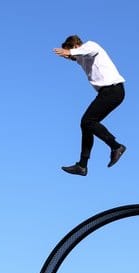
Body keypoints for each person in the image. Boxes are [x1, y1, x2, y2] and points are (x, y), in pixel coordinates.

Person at [53, 35, 126, 176]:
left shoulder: (91, 46)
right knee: (86, 124)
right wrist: (70, 56)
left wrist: (70, 52)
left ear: (75, 46)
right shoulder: (81, 59)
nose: (68, 57)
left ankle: (116, 147)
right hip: (107, 93)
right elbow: (77, 57)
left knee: (88, 121)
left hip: (113, 90)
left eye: (68, 52)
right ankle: (82, 165)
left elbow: (86, 50)